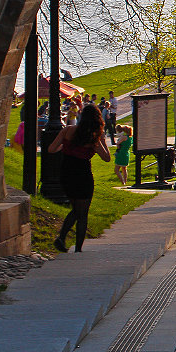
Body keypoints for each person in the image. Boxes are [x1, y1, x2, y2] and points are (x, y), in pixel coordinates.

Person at [48, 104, 111, 253]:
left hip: (66, 172)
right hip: (83, 174)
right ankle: (77, 248)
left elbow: (51, 149)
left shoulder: (67, 130)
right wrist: (102, 140)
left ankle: (61, 238)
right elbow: (107, 158)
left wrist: (64, 148)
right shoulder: (93, 137)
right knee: (82, 213)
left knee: (76, 208)